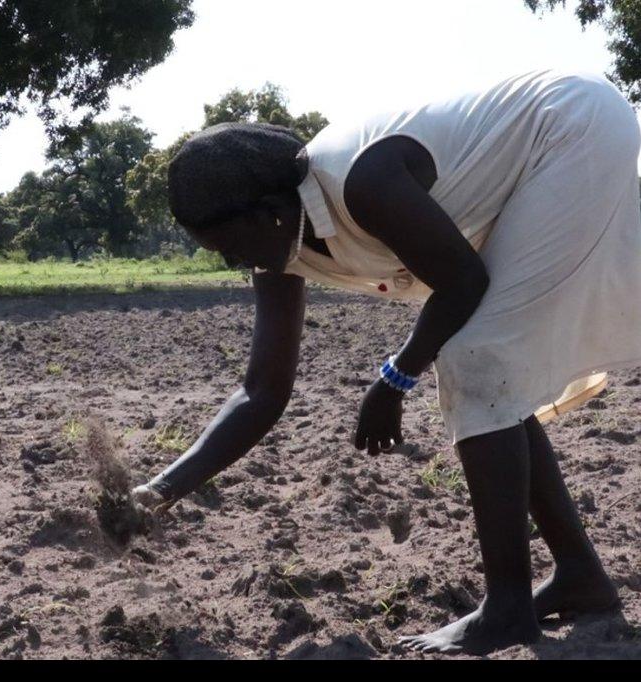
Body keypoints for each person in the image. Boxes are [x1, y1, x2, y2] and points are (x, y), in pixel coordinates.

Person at [131, 69, 641, 655]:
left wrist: (394, 381)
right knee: (489, 366)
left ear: (268, 214)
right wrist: (159, 491)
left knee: (477, 358)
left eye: (227, 247)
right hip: (544, 155)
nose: (230, 262)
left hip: (571, 126)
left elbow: (462, 281)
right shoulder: (280, 244)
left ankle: (506, 610)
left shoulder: (361, 181)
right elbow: (262, 392)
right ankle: (579, 576)